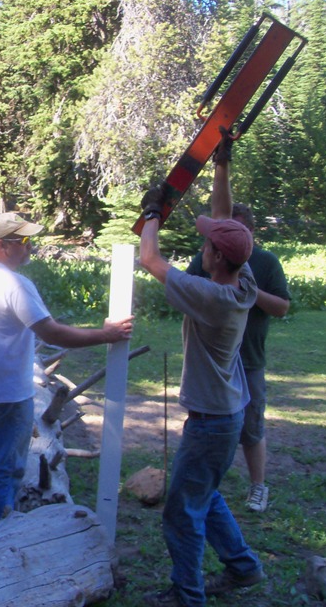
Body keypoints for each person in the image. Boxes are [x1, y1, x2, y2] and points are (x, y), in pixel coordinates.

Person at [0, 212, 134, 537]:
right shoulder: (15, 284)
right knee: (7, 464)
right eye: (25, 242)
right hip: (8, 392)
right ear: (3, 245)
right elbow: (53, 333)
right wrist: (105, 335)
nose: (30, 248)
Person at [138, 131, 265, 607]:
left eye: (209, 243)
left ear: (214, 258)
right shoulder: (243, 281)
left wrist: (152, 214)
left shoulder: (209, 296)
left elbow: (150, 258)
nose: (206, 243)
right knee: (204, 494)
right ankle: (244, 567)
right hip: (226, 415)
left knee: (180, 511)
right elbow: (229, 221)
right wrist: (222, 167)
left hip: (211, 422)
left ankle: (187, 596)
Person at [186, 203, 290, 513]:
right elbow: (189, 287)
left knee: (252, 426)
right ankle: (205, 483)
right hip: (213, 362)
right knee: (205, 421)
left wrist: (248, 290)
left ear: (252, 233)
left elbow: (282, 307)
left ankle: (258, 486)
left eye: (239, 230)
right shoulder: (208, 256)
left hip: (249, 359)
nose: (229, 235)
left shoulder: (266, 262)